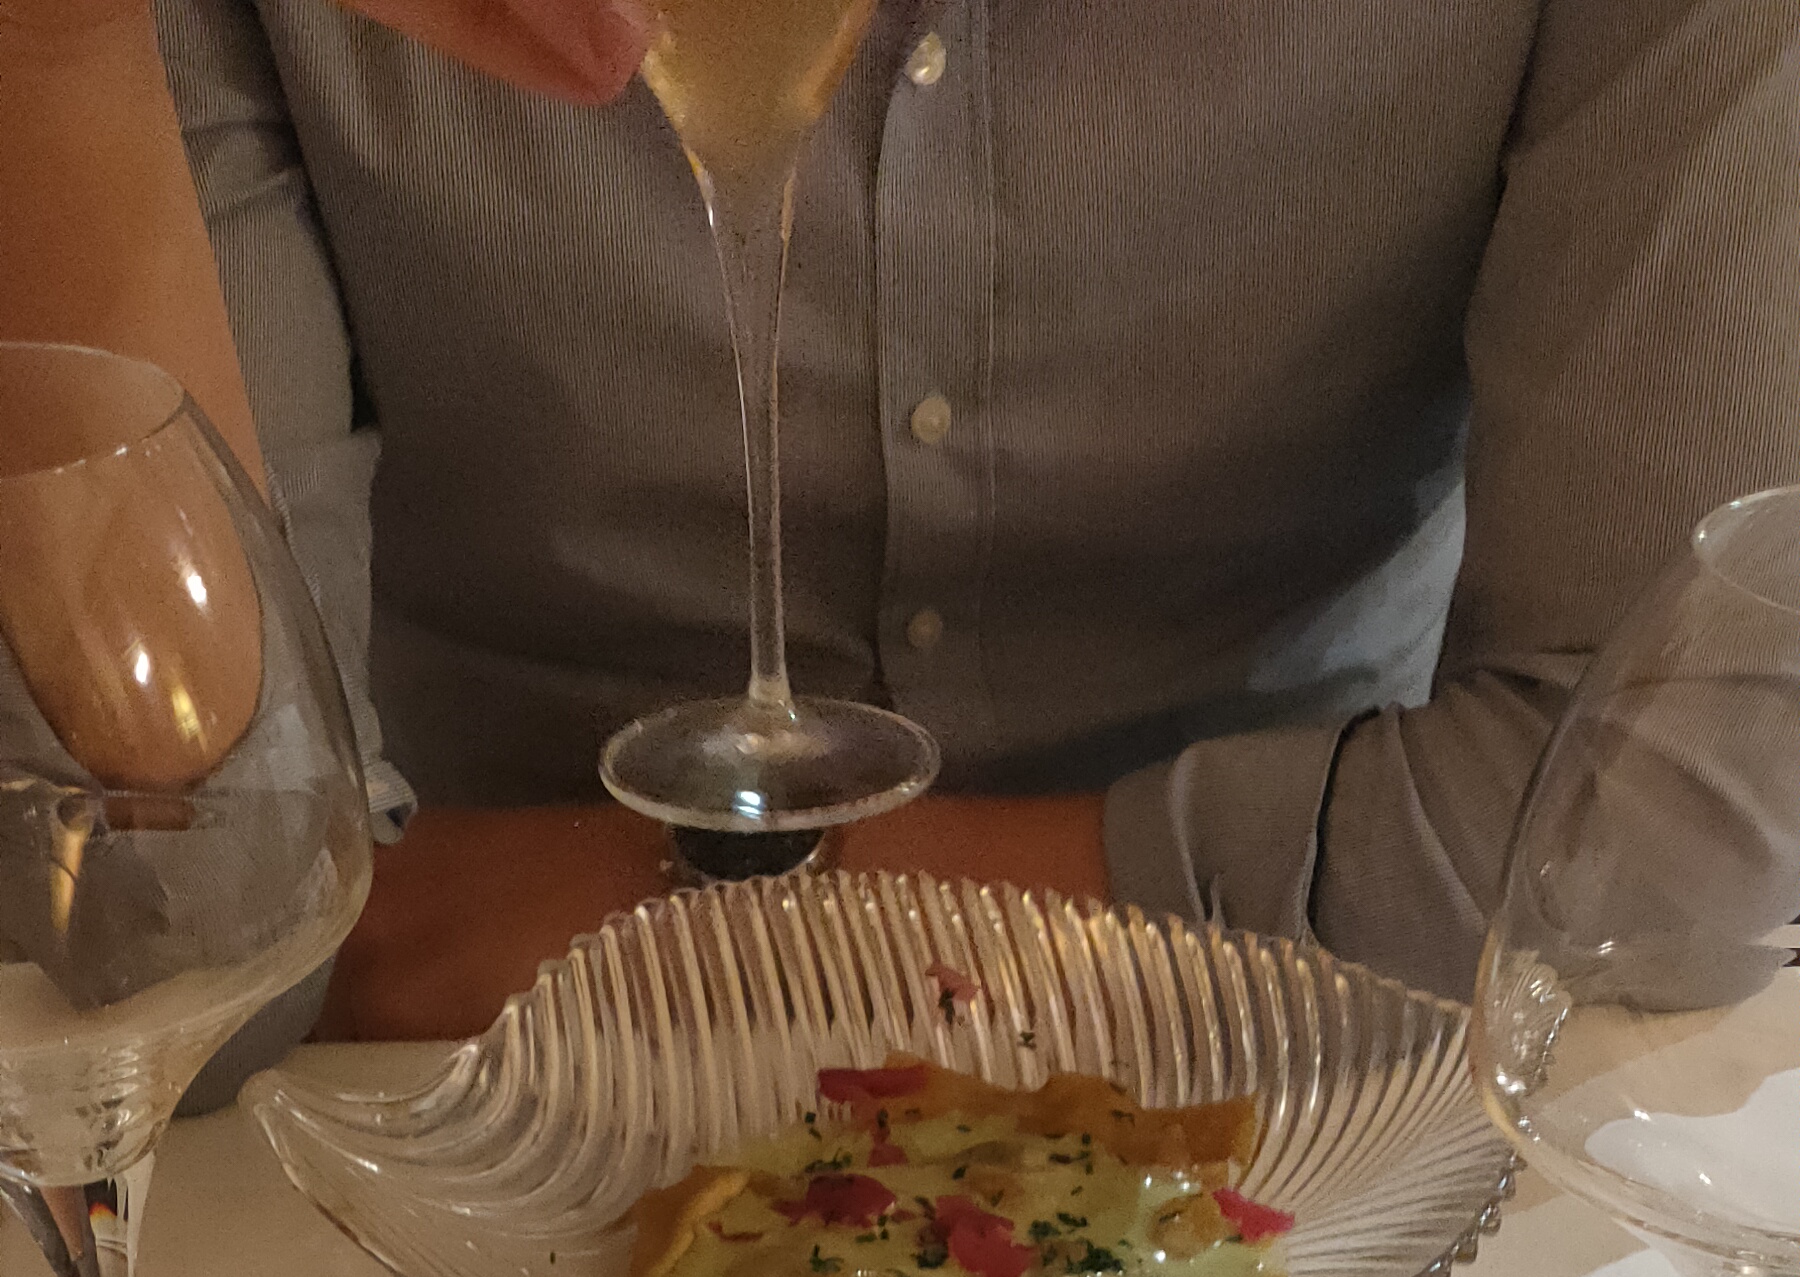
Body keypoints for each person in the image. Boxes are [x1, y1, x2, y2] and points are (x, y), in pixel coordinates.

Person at [5, 0, 1798, 1043]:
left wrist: (717, 916)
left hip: (1330, 1102)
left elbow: (1674, 850)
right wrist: (56, 43)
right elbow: (182, 913)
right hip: (450, 1145)